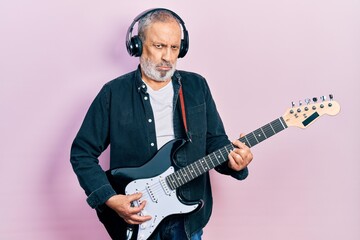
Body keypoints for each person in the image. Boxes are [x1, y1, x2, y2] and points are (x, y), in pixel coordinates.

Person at [70, 8, 253, 240]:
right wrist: (109, 198)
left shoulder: (197, 87)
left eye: (174, 48)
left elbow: (214, 141)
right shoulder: (113, 93)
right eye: (159, 46)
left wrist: (234, 163)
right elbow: (82, 153)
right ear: (137, 45)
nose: (168, 57)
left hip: (188, 217)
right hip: (137, 216)